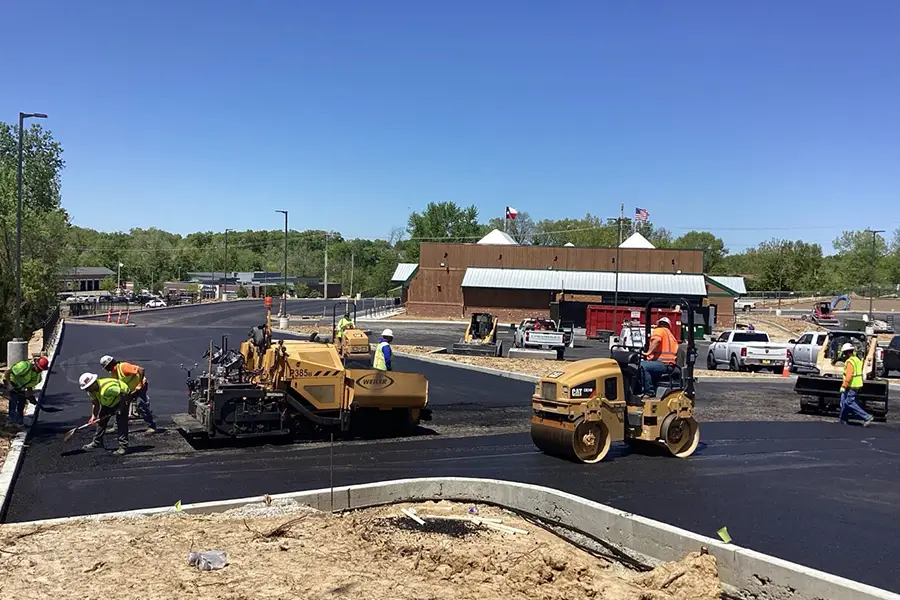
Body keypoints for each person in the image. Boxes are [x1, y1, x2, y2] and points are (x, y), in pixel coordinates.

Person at [100, 355, 157, 433]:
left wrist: (139, 385)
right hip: (129, 390)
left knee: (141, 405)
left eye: (106, 367)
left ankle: (152, 427)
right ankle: (117, 427)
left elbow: (141, 370)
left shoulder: (123, 367)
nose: (106, 370)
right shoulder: (114, 373)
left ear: (110, 365)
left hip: (140, 387)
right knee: (121, 407)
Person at [79, 372, 129, 455]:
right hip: (108, 402)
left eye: (88, 387)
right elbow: (95, 403)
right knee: (101, 421)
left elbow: (124, 393)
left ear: (94, 383)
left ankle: (123, 447)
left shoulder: (107, 388)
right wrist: (93, 416)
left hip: (123, 398)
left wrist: (121, 407)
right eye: (85, 388)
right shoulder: (91, 391)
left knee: (121, 422)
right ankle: (97, 442)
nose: (87, 390)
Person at [3, 357, 49, 425]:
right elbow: (7, 372)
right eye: (39, 369)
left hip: (20, 388)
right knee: (14, 400)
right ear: (35, 364)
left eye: (41, 370)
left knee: (22, 402)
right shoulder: (24, 366)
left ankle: (19, 422)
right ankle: (11, 421)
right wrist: (9, 384)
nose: (39, 371)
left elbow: (29, 387)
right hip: (11, 381)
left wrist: (30, 395)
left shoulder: (38, 378)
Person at [838, 342, 874, 427]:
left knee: (849, 402)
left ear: (847, 352)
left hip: (852, 385)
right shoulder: (857, 360)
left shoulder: (850, 362)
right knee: (843, 402)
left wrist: (843, 386)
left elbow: (849, 375)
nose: (843, 355)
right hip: (856, 384)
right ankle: (843, 419)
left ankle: (867, 417)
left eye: (844, 353)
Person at [640, 317, 679, 396]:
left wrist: (648, 352)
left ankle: (649, 392)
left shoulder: (659, 330)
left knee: (641, 366)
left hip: (663, 363)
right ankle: (650, 387)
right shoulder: (670, 335)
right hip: (669, 365)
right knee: (647, 366)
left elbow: (657, 340)